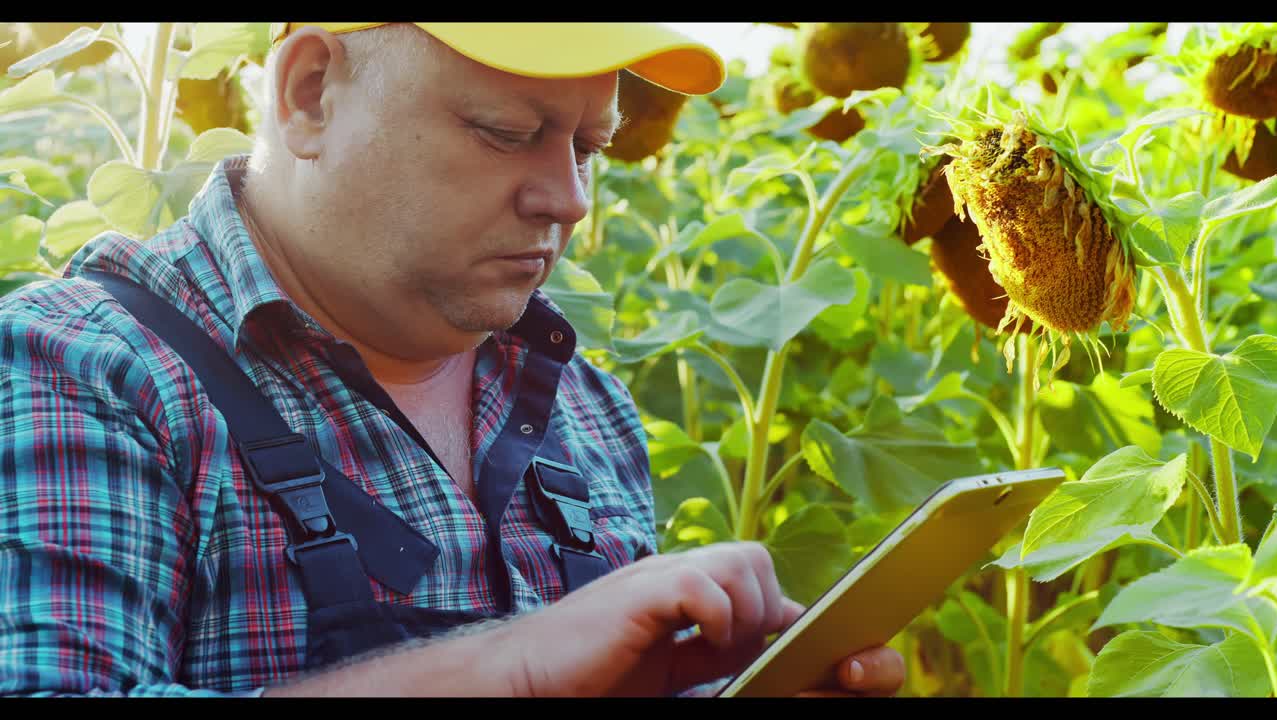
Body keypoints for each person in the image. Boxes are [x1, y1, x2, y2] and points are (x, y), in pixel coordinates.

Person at [0, 22, 904, 697]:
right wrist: (513, 665)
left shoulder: (584, 409)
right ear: (311, 92)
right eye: (509, 131)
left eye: (591, 146)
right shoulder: (87, 369)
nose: (570, 199)